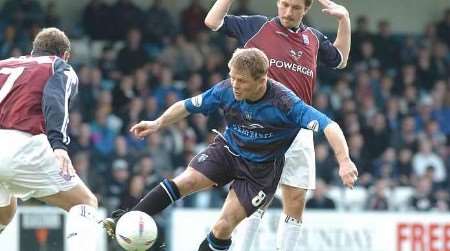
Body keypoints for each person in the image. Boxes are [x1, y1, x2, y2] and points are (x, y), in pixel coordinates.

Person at [102, 48, 358, 251]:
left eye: (242, 81)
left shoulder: (285, 102)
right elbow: (188, 105)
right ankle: (127, 218)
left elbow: (330, 126)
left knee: (223, 226)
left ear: (262, 80)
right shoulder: (226, 89)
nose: (235, 85)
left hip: (260, 171)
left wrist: (344, 161)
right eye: (232, 77)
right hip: (228, 149)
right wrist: (158, 122)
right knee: (186, 180)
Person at [204, 0, 351, 249]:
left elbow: (340, 60)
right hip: (260, 126)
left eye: (295, 7)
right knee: (255, 199)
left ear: (306, 9)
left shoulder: (313, 38)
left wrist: (344, 19)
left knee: (295, 198)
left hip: (298, 128)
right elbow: (212, 22)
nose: (288, 12)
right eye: (284, 4)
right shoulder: (258, 26)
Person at [0, 28, 98, 251]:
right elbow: (55, 100)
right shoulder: (58, 66)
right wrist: (59, 145)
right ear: (65, 55)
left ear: (33, 51)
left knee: (5, 212)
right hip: (21, 145)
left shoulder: (4, 64)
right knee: (85, 203)